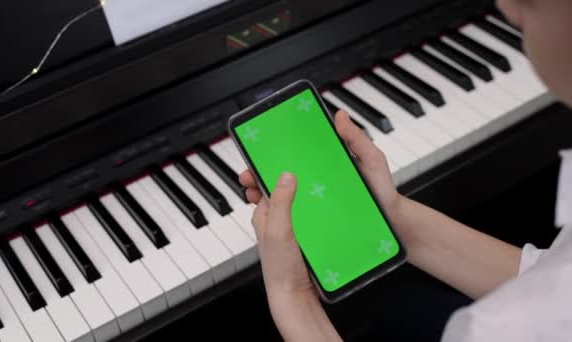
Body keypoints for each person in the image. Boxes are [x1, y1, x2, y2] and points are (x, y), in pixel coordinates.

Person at [238, 0, 572, 340]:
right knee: (402, 307)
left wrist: (293, 297)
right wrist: (394, 215)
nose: (508, 5)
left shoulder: (495, 328)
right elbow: (551, 279)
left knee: (399, 310)